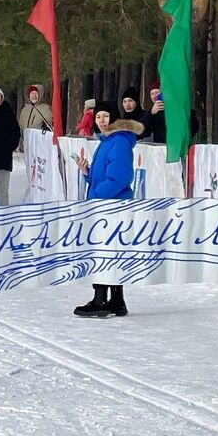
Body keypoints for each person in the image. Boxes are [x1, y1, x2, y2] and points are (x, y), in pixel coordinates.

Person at [73, 103, 141, 317]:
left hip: (110, 206)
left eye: (105, 116)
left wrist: (96, 197)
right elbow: (104, 175)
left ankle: (101, 299)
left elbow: (119, 177)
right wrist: (87, 173)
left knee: (102, 252)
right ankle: (117, 300)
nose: (101, 120)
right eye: (98, 116)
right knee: (112, 253)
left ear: (114, 118)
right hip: (107, 204)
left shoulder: (118, 141)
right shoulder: (108, 140)